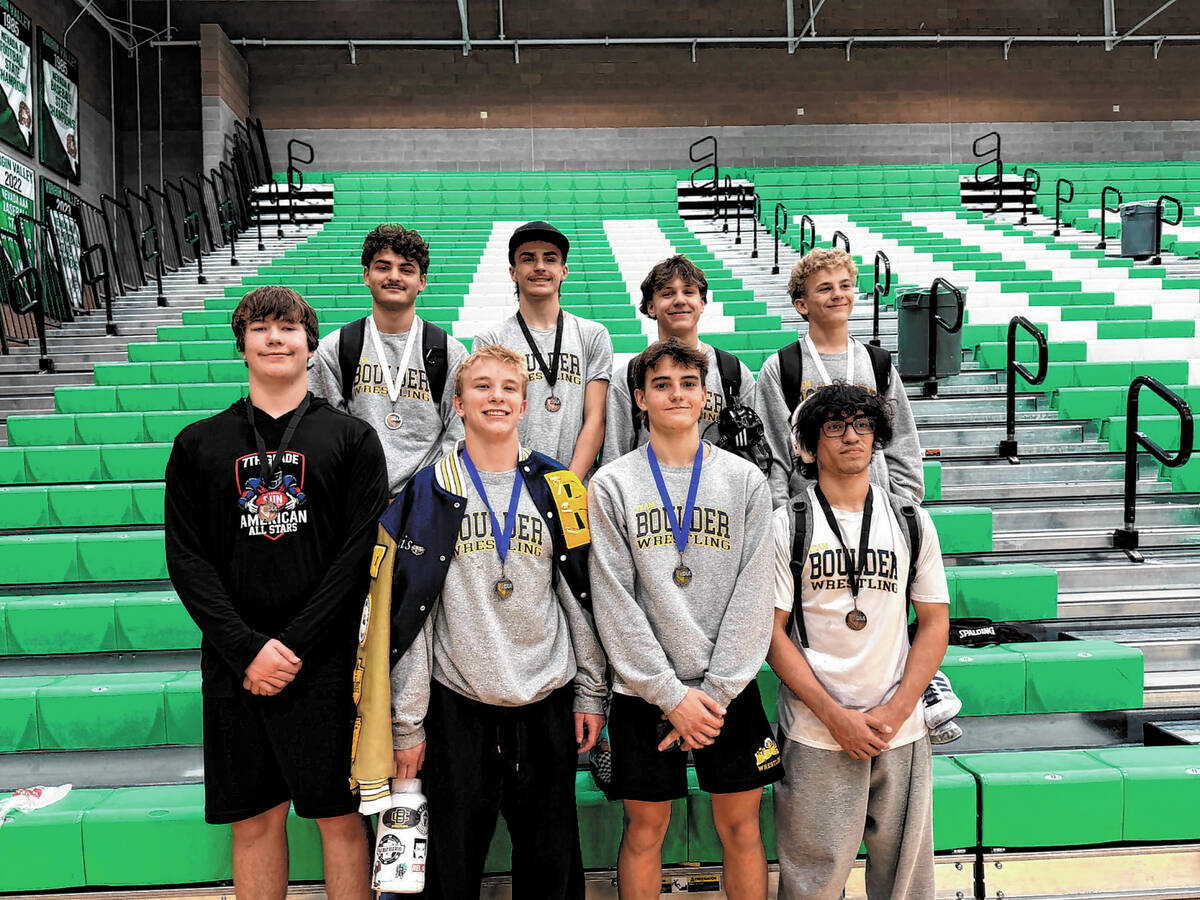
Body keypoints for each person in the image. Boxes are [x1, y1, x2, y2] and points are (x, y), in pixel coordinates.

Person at [350, 344, 608, 899]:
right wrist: (408, 723)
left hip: (547, 698)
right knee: (451, 865)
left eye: (508, 388)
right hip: (456, 706)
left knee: (552, 863)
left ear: (525, 403)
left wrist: (590, 692)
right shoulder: (427, 491)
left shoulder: (560, 486)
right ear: (459, 404)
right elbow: (413, 620)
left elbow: (581, 597)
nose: (496, 396)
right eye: (482, 387)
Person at [165, 286, 388, 900]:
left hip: (326, 663)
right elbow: (187, 560)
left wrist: (292, 645)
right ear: (241, 345)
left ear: (310, 345)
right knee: (255, 820)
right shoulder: (198, 445)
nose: (275, 338)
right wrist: (246, 649)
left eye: (288, 328)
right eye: (260, 328)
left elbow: (356, 557)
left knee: (340, 820)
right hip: (237, 666)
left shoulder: (351, 439)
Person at [589, 338, 779, 899]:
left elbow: (754, 595)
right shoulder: (613, 484)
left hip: (729, 689)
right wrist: (671, 696)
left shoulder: (746, 481)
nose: (677, 393)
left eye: (689, 384)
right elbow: (614, 599)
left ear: (707, 398)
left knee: (742, 827)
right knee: (644, 829)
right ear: (640, 398)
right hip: (643, 691)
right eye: (662, 384)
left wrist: (713, 695)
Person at [767, 383, 950, 900]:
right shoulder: (788, 525)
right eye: (835, 426)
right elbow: (772, 636)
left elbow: (935, 623)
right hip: (816, 731)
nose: (852, 436)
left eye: (863, 425)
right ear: (810, 442)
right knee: (813, 884)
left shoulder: (911, 520)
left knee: (907, 884)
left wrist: (896, 711)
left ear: (878, 439)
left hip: (901, 729)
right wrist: (835, 717)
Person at [754, 248, 923, 508]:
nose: (837, 295)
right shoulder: (781, 367)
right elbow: (774, 455)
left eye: (845, 285)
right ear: (802, 304)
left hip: (875, 514)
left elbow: (903, 444)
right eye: (824, 288)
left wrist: (902, 509)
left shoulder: (879, 364)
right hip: (808, 521)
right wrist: (782, 519)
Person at [309, 223, 468, 497]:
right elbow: (324, 432)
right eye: (383, 267)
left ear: (422, 281)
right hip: (357, 502)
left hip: (428, 501)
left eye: (406, 269)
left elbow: (459, 435)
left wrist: (429, 495)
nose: (394, 276)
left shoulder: (448, 351)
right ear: (366, 275)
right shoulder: (337, 347)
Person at [473, 221, 612, 481]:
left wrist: (569, 483)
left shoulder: (593, 335)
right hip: (513, 482)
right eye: (528, 259)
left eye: (550, 259)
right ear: (513, 272)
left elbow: (596, 418)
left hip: (575, 483)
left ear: (564, 270)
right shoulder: (491, 339)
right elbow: (489, 421)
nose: (539, 267)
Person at [601, 254, 756, 466]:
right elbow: (614, 458)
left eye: (689, 292)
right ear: (651, 307)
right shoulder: (628, 377)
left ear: (701, 303)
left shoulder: (733, 372)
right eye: (668, 293)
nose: (680, 300)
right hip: (649, 495)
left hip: (719, 495)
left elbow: (757, 451)